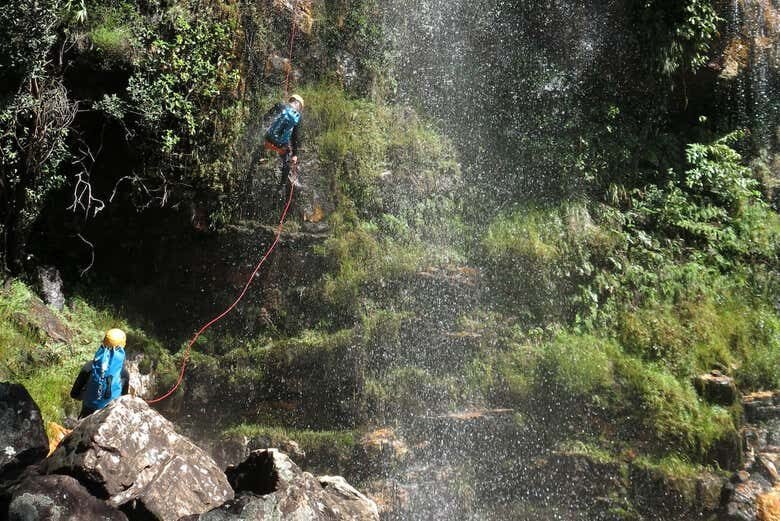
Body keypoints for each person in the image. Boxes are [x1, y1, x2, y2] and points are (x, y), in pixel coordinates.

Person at [70, 328, 130, 419]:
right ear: (122, 348)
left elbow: (74, 394)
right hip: (109, 417)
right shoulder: (124, 374)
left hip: (86, 415)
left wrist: (90, 395)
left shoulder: (89, 367)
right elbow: (123, 400)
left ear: (103, 344)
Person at [264, 94, 304, 197]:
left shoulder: (281, 105)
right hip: (281, 145)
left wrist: (265, 127)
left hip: (268, 138)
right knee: (287, 163)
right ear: (300, 108)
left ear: (290, 100)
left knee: (260, 148)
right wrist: (294, 155)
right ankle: (281, 187)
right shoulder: (297, 118)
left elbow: (266, 117)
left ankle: (251, 171)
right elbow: (295, 137)